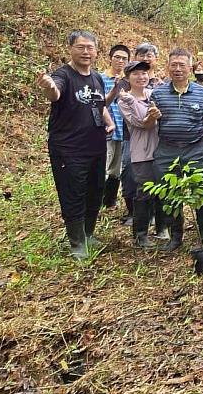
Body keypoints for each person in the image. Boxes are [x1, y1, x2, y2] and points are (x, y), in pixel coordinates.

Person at [36, 30, 115, 259]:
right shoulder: (63, 75)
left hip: (96, 146)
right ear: (70, 49)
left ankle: (88, 233)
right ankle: (77, 242)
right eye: (80, 47)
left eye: (90, 47)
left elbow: (99, 105)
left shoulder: (97, 78)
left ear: (96, 51)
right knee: (73, 193)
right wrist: (48, 86)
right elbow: (55, 93)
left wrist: (109, 122)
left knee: (95, 191)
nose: (86, 52)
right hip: (69, 149)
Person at [150, 48, 203, 251]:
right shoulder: (158, 93)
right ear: (167, 67)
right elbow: (150, 123)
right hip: (167, 149)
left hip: (195, 149)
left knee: (201, 193)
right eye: (174, 65)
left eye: (182, 65)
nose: (178, 69)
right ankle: (175, 237)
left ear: (190, 68)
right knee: (169, 195)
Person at [111, 43, 163, 229]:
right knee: (143, 188)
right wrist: (150, 114)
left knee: (161, 187)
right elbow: (141, 123)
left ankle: (160, 226)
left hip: (160, 148)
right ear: (127, 78)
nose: (141, 77)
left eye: (144, 73)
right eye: (136, 74)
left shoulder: (154, 93)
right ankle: (140, 231)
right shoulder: (124, 100)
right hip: (140, 149)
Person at [101, 44, 130, 209]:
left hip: (123, 130)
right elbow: (99, 103)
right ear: (110, 58)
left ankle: (109, 201)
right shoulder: (100, 78)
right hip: (105, 130)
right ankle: (94, 201)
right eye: (117, 57)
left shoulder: (128, 81)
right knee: (103, 165)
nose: (120, 61)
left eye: (124, 58)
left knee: (116, 169)